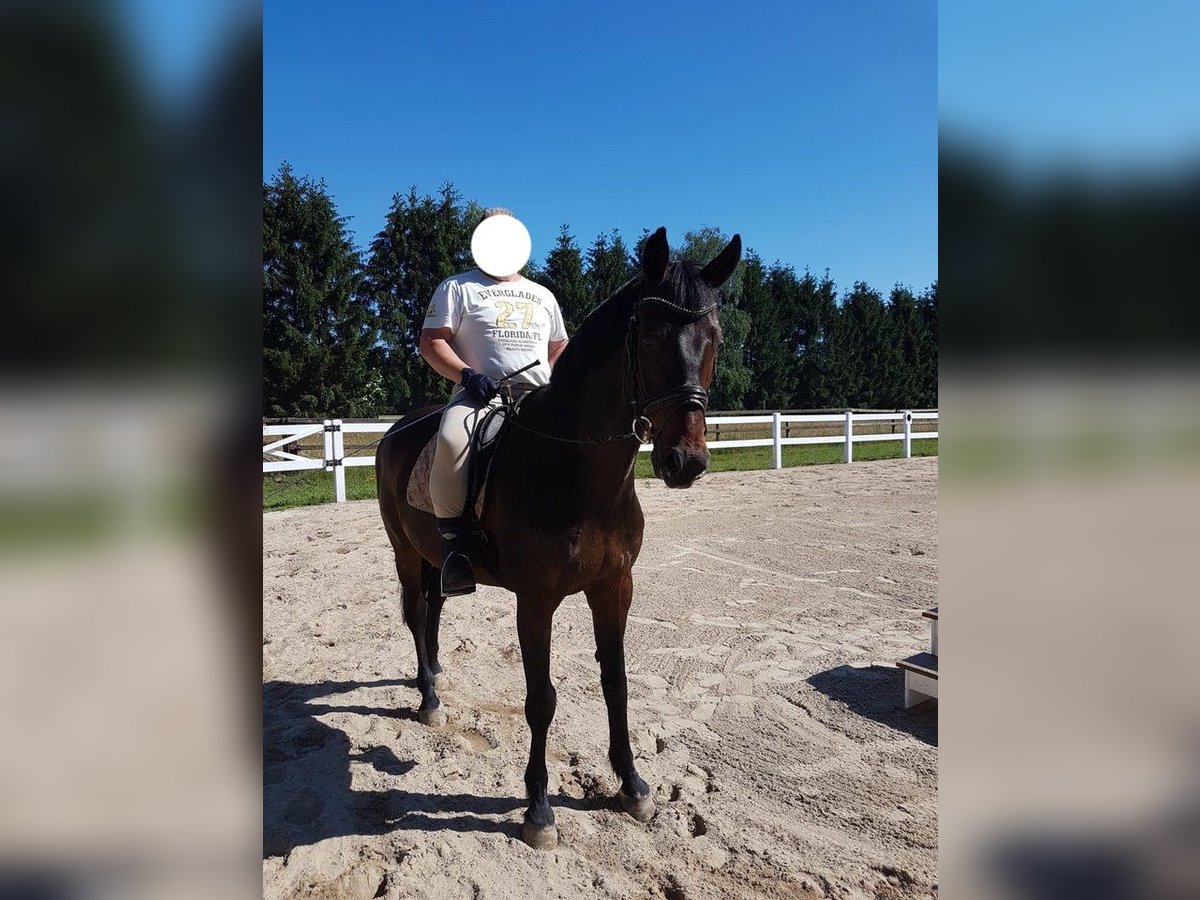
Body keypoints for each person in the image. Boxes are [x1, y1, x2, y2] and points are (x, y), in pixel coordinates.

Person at [420, 208, 568, 596]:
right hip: (480, 396)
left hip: (539, 397)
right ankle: (453, 549)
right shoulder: (458, 287)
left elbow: (560, 345)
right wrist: (467, 375)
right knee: (453, 440)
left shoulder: (543, 294)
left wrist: (550, 376)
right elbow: (432, 341)